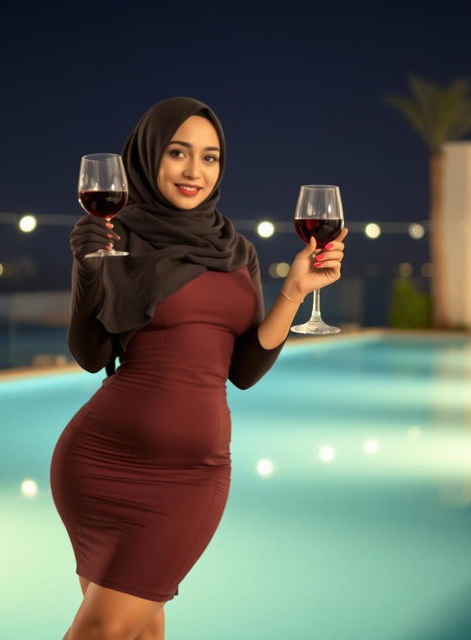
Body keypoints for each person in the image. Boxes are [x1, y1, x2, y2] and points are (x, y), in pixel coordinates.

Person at [50, 96, 347, 640]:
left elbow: (244, 369)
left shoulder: (237, 251)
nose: (194, 171)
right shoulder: (114, 238)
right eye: (178, 153)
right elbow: (91, 356)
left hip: (190, 476)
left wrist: (295, 292)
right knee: (122, 633)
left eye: (209, 158)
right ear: (146, 157)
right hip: (97, 463)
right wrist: (87, 270)